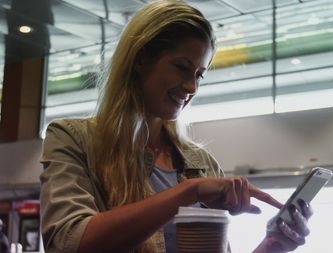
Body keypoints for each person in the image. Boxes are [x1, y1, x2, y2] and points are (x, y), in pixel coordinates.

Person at [39, 1, 313, 253]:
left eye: (199, 75)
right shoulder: (72, 139)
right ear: (141, 58)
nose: (192, 87)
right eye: (182, 67)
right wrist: (188, 192)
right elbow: (69, 242)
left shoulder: (201, 163)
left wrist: (273, 246)